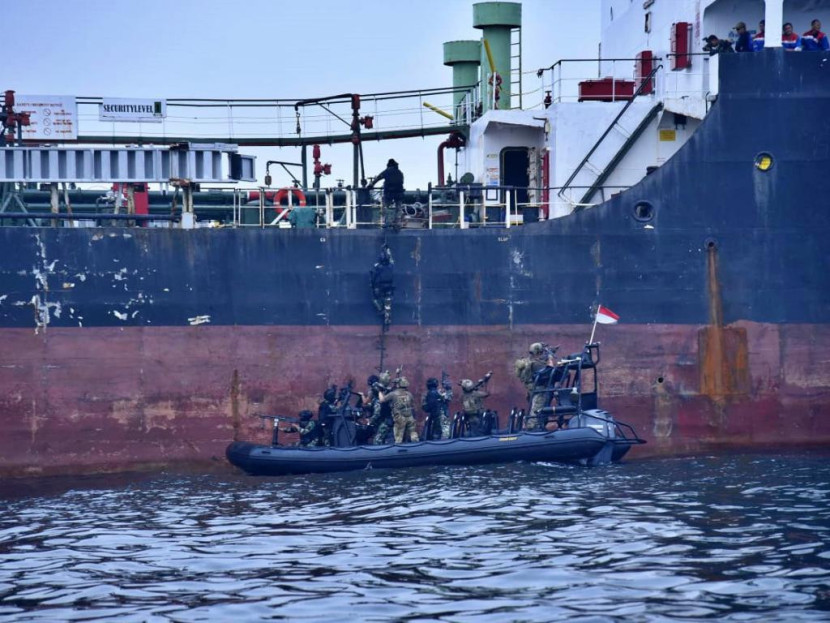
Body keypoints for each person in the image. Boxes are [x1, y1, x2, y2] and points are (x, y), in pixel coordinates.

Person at [518, 343, 558, 431]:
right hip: (539, 389)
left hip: (533, 388)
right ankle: (532, 427)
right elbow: (549, 371)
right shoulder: (536, 364)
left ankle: (537, 425)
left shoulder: (531, 362)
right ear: (539, 352)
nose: (543, 353)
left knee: (537, 407)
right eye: (542, 352)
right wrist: (550, 358)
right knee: (537, 408)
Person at [378, 376, 419, 443]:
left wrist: (379, 392)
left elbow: (382, 400)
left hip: (400, 418)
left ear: (398, 384)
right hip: (409, 417)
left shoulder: (393, 394)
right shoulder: (409, 394)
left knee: (398, 437)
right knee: (413, 434)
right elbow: (413, 405)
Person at [367, 158, 404, 227]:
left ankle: (385, 221)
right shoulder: (400, 172)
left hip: (389, 192)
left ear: (389, 165)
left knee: (384, 206)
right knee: (398, 208)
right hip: (399, 193)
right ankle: (397, 223)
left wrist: (371, 185)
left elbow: (378, 178)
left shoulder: (387, 171)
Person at [459, 372, 492, 437]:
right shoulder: (475, 394)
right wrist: (486, 382)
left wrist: (479, 384)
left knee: (473, 431)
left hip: (469, 417)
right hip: (478, 416)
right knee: (479, 432)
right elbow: (487, 394)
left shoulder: (462, 396)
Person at [370, 244, 394, 323]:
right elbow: (391, 259)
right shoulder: (391, 266)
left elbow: (374, 276)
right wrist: (388, 250)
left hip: (381, 286)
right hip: (389, 286)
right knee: (388, 301)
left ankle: (380, 309)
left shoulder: (378, 267)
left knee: (375, 299)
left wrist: (373, 285)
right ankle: (388, 317)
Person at [368, 371, 394, 444]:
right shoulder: (389, 392)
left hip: (386, 421)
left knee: (377, 441)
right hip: (389, 420)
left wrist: (370, 421)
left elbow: (377, 413)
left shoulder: (380, 399)